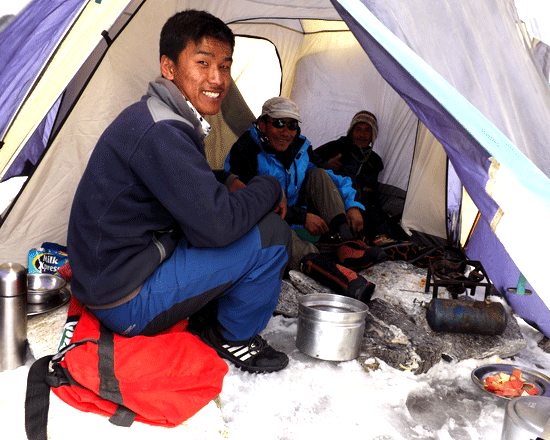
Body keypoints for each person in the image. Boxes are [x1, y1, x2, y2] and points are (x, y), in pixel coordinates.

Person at [66, 10, 292, 374]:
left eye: (225, 66)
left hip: (108, 278)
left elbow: (185, 182)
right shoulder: (162, 131)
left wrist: (226, 180)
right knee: (273, 235)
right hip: (125, 301)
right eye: (202, 63)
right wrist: (269, 184)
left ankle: (205, 304)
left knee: (235, 213)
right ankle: (234, 336)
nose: (217, 79)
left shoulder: (154, 114)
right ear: (168, 67)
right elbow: (218, 226)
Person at [224, 97, 386, 304]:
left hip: (292, 213)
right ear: (262, 124)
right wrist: (301, 216)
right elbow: (250, 201)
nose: (286, 131)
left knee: (318, 175)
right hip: (258, 219)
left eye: (292, 125)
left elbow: (332, 175)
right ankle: (325, 270)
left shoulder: (300, 147)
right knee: (273, 226)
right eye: (279, 123)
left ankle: (346, 244)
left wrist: (352, 206)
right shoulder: (245, 150)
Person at [316, 111, 419, 260]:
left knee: (377, 207)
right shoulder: (336, 147)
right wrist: (327, 165)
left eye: (367, 130)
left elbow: (370, 183)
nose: (362, 135)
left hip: (364, 198)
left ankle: (405, 243)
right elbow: (308, 162)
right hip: (335, 195)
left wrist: (366, 186)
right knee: (368, 205)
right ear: (351, 132)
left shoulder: (374, 160)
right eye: (358, 129)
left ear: (373, 135)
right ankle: (379, 238)